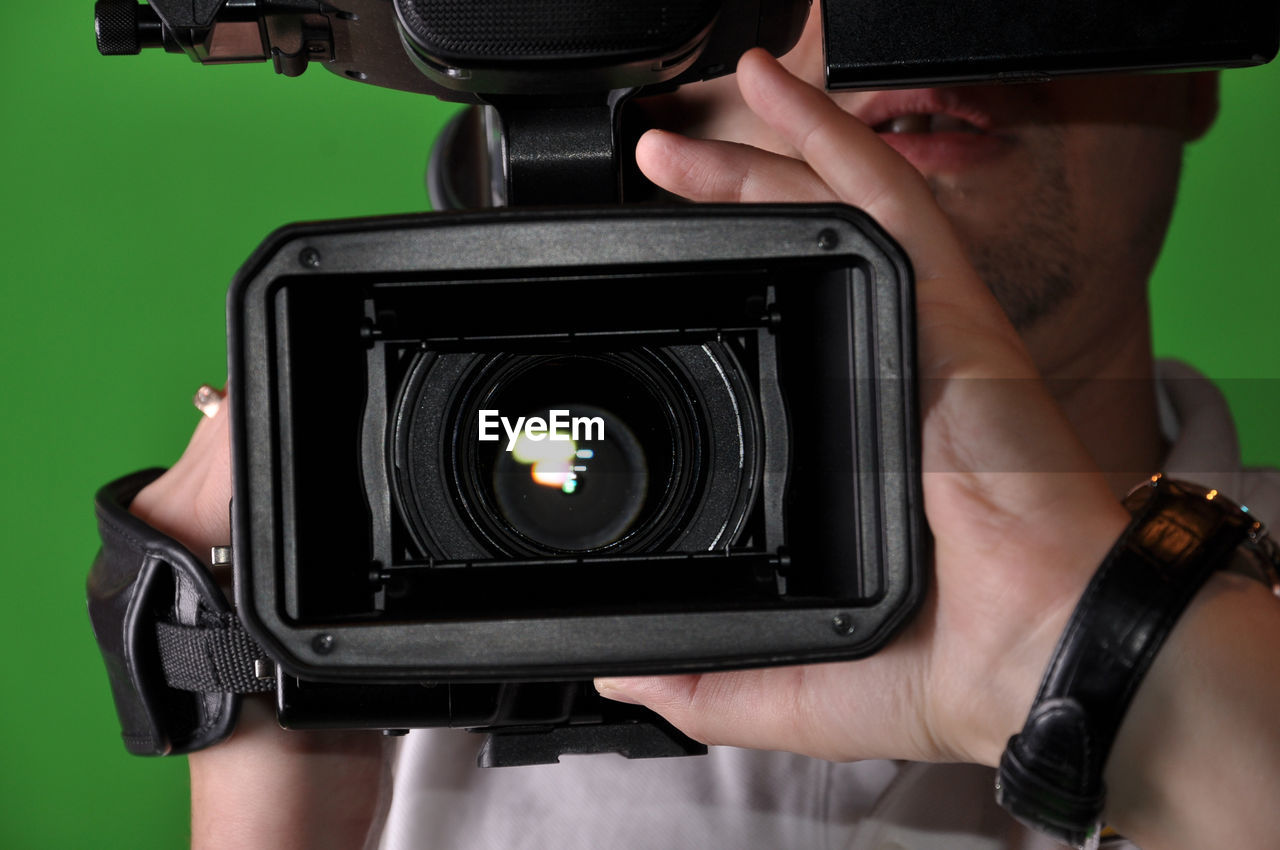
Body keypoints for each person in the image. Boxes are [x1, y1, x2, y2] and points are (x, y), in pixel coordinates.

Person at [126, 11, 1280, 850]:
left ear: (1194, 70)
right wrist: (264, 775)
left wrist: (1107, 660)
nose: (912, 35)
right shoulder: (347, 622)